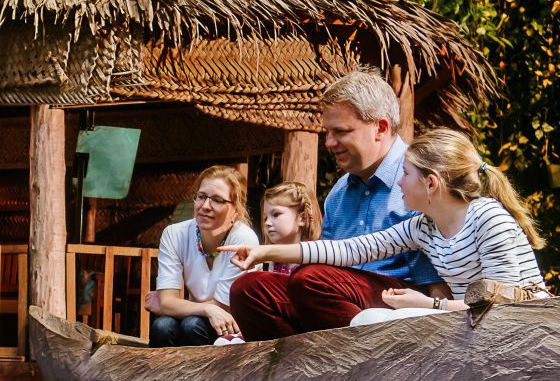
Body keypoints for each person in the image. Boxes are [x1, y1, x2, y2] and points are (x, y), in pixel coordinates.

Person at [222, 129, 548, 321]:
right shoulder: (423, 227)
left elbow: (506, 308)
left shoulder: (488, 219)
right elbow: (352, 249)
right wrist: (265, 251)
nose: (400, 183)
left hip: (521, 327)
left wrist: (431, 304)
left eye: (406, 174)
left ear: (431, 184)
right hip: (467, 320)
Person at [228, 70, 446, 340]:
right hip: (333, 300)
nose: (329, 143)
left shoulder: (418, 180)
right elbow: (329, 262)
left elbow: (438, 285)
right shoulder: (339, 193)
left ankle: (344, 360)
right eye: (328, 132)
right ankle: (296, 366)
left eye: (340, 132)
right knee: (249, 288)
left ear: (380, 128)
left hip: (401, 304)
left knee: (311, 281)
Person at [144, 165, 258, 347]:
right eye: (201, 197)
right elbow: (166, 302)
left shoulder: (244, 240)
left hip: (232, 328)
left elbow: (224, 307)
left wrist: (174, 305)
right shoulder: (175, 234)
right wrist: (206, 307)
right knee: (162, 326)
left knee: (192, 326)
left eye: (217, 200)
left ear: (236, 209)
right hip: (199, 316)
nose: (205, 206)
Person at [213, 181, 322, 345]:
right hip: (272, 324)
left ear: (303, 218)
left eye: (276, 215)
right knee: (223, 343)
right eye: (265, 217)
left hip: (302, 328)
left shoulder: (314, 257)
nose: (267, 223)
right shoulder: (270, 260)